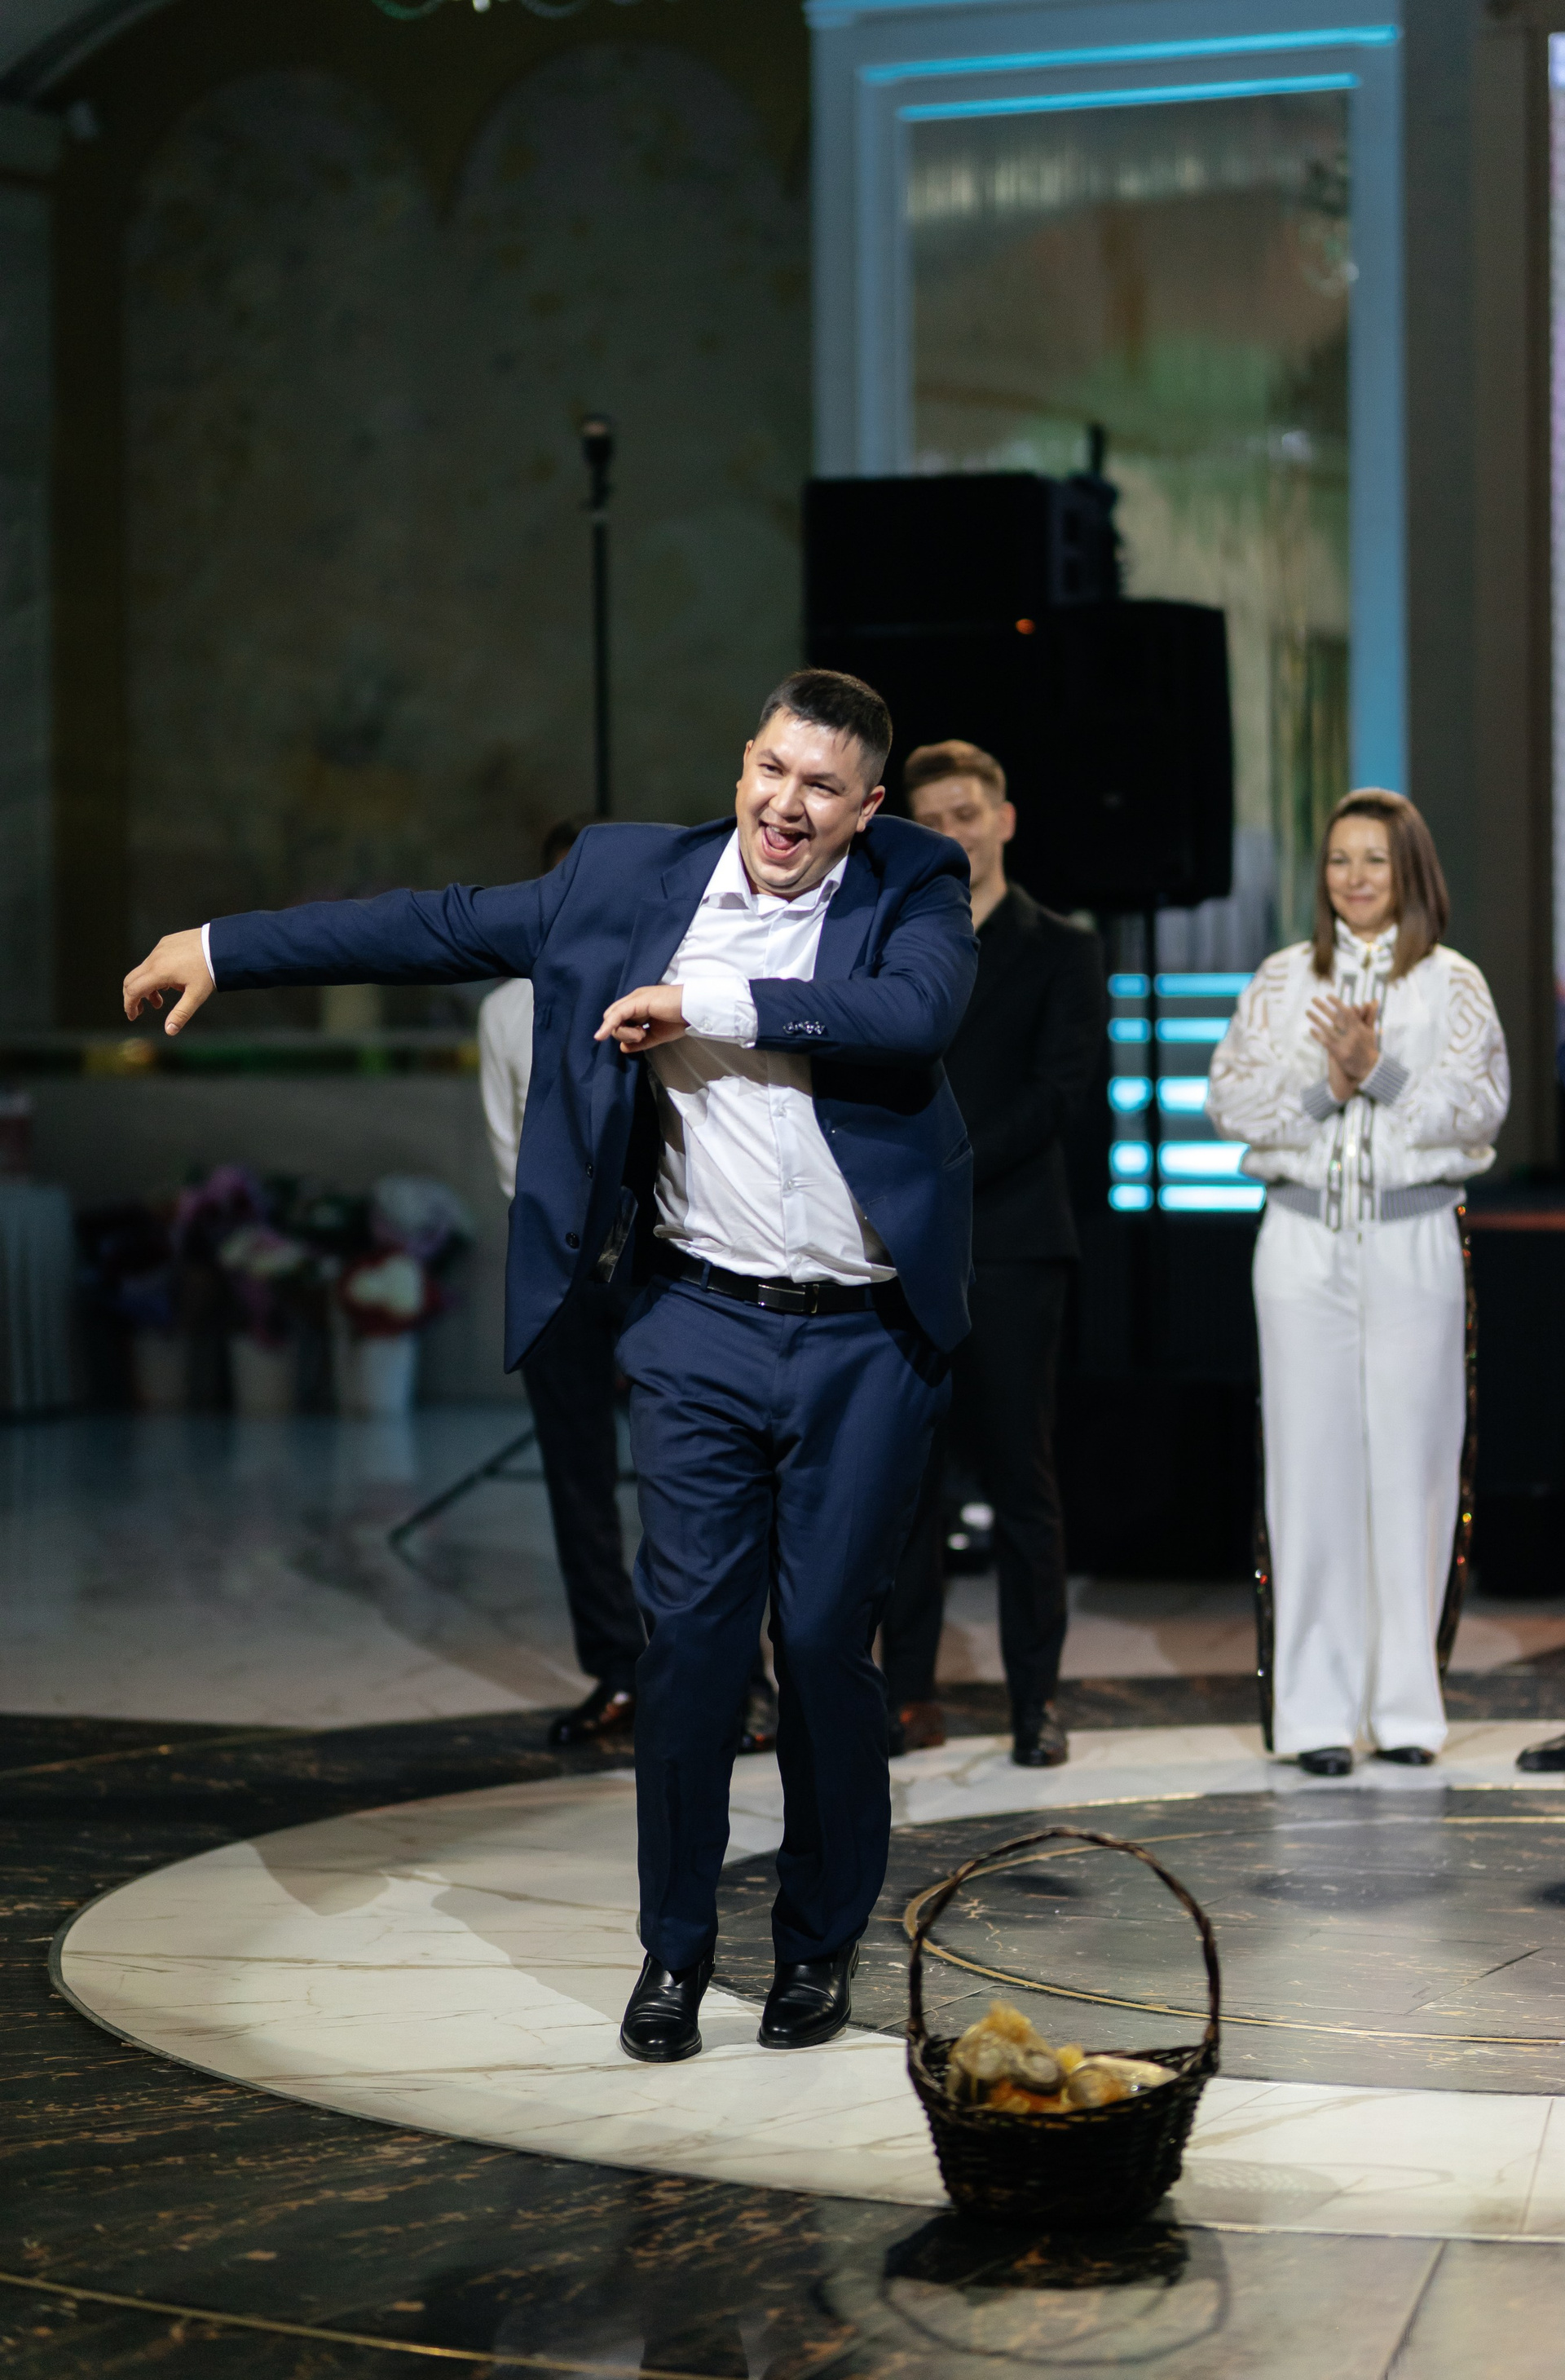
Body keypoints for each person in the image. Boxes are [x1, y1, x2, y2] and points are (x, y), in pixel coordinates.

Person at [124, 669, 976, 2064]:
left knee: (825, 1641)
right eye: (772, 770)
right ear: (743, 761)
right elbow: (432, 923)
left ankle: (817, 1941)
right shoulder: (622, 878)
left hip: (866, 1334)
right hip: (698, 1319)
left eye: (823, 787)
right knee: (690, 1642)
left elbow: (913, 1015)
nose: (786, 804)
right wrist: (226, 945)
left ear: (867, 806)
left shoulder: (913, 885)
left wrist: (706, 1000)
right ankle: (675, 1948)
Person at [1207, 789, 1509, 1775]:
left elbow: (1479, 1108)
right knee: (1310, 1474)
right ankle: (1316, 1717)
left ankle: (1406, 1708)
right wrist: (1327, 1086)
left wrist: (1379, 1071)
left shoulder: (1453, 983)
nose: (1355, 877)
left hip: (1413, 1238)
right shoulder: (1283, 978)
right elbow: (1230, 1100)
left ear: (1409, 869)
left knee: (1413, 1469)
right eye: (1340, 859)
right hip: (1301, 1244)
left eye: (1374, 859)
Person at [479, 819, 778, 1756]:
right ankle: (616, 1667)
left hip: (671, 1250)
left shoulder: (685, 986)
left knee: (700, 1476)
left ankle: (740, 1679)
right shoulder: (507, 1008)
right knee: (576, 1476)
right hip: (563, 1261)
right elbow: (510, 1148)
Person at [877, 741, 1105, 1767]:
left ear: (1003, 820)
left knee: (1022, 1480)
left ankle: (1036, 1702)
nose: (951, 834)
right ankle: (908, 1695)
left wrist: (945, 1163)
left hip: (1013, 1244)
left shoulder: (1062, 948)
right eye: (931, 820)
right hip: (900, 1245)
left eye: (966, 814)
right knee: (905, 1484)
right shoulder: (888, 942)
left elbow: (1060, 1094)